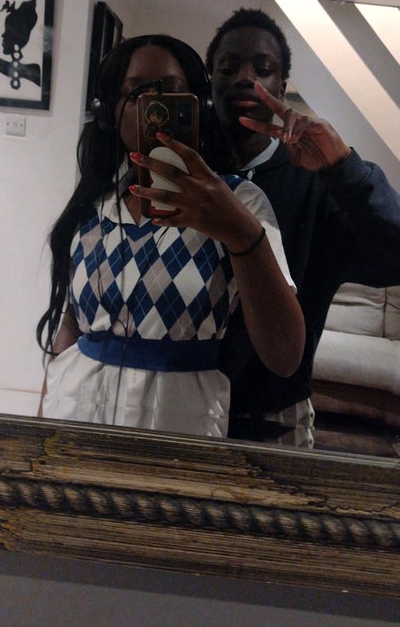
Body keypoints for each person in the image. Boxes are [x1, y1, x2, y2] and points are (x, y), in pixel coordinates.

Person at [37, 34, 305, 437]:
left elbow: (285, 356)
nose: (155, 106)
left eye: (170, 91)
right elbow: (71, 327)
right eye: (136, 92)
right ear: (110, 112)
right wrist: (39, 430)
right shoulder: (93, 205)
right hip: (73, 417)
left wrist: (239, 232)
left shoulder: (240, 203)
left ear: (198, 107)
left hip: (178, 427)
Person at [204, 7, 400, 446]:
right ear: (209, 81)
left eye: (263, 69)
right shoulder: (190, 176)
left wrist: (344, 168)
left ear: (282, 85)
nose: (244, 78)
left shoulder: (318, 185)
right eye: (228, 67)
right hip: (179, 406)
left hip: (274, 416)